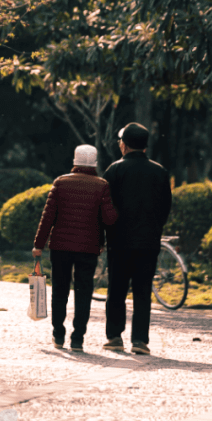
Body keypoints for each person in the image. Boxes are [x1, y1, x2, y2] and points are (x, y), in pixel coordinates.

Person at [32, 144, 118, 352]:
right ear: (95, 163)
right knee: (83, 292)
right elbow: (110, 218)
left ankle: (58, 334)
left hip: (60, 247)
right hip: (88, 248)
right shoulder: (101, 185)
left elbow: (48, 217)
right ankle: (78, 337)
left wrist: (38, 245)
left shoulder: (60, 182)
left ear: (74, 161)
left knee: (60, 290)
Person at [101, 123, 172, 355]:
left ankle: (114, 337)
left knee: (117, 290)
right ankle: (140, 341)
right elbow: (165, 209)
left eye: (120, 140)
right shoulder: (160, 172)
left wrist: (106, 233)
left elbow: (106, 207)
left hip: (119, 242)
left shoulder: (114, 170)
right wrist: (153, 228)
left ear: (125, 144)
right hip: (148, 242)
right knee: (143, 291)